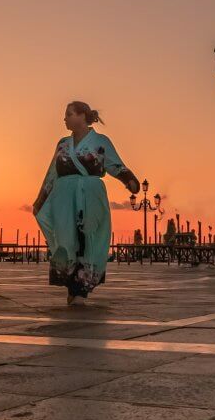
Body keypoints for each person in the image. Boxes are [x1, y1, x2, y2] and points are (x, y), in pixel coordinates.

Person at [33, 100, 140, 304]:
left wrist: (131, 181)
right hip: (63, 196)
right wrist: (41, 199)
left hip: (90, 194)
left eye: (69, 114)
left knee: (88, 238)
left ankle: (80, 289)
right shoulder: (63, 144)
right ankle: (71, 285)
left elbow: (115, 165)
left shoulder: (101, 141)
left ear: (82, 116)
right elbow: (52, 173)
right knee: (66, 240)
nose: (65, 119)